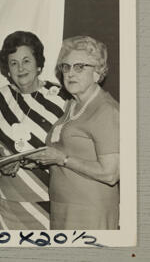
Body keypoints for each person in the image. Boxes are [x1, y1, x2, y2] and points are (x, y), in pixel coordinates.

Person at [27, 36, 119, 229]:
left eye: (79, 67)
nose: (70, 73)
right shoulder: (72, 105)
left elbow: (111, 173)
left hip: (90, 211)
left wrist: (63, 159)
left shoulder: (106, 110)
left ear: (97, 72)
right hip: (62, 208)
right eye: (66, 67)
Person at [0, 31, 67, 229]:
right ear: (7, 69)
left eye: (26, 60)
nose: (20, 68)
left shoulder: (61, 97)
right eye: (14, 63)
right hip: (6, 202)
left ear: (38, 64)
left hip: (50, 199)